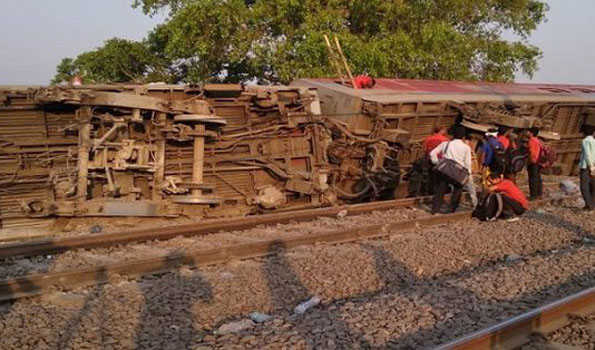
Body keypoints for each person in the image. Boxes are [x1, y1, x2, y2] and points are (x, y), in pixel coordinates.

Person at [429, 126, 472, 214]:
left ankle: (435, 209)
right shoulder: (466, 147)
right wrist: (468, 174)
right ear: (463, 137)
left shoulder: (446, 144)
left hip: (445, 170)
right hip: (458, 173)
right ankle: (451, 209)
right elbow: (468, 163)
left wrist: (437, 163)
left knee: (440, 190)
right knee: (457, 190)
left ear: (453, 135)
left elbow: (432, 153)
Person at [421, 126, 450, 195]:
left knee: (429, 177)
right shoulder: (446, 140)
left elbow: (424, 149)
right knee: (438, 179)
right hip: (440, 161)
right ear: (441, 130)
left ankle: (428, 192)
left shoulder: (428, 138)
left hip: (429, 160)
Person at [579, 129, 595, 211]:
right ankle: (591, 203)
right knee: (593, 185)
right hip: (593, 165)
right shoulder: (594, 141)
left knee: (584, 186)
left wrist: (591, 166)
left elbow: (587, 154)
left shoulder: (585, 141)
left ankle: (589, 205)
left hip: (586, 166)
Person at [526, 127, 543, 200]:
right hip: (538, 161)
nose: (527, 133)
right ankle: (539, 194)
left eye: (528, 132)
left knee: (532, 178)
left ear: (531, 133)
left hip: (533, 161)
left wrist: (529, 161)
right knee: (537, 178)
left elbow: (532, 152)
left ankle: (533, 195)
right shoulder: (538, 140)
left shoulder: (532, 141)